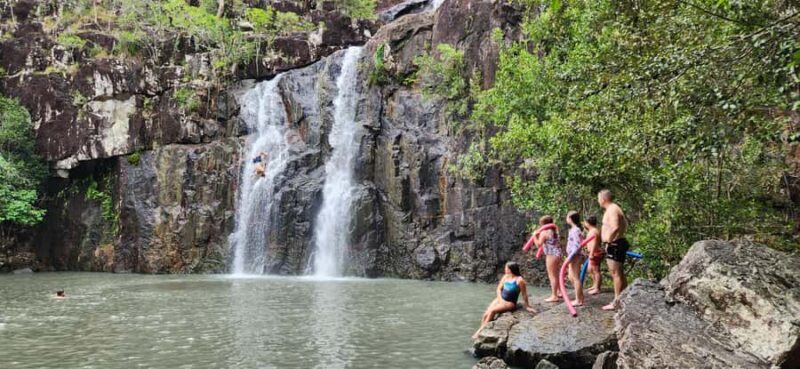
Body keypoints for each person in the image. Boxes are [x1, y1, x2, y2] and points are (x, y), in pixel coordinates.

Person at [473, 262, 535, 339]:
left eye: (506, 268)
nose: (504, 269)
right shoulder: (505, 277)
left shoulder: (520, 280)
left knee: (492, 311)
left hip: (510, 302)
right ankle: (483, 329)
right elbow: (498, 289)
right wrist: (500, 299)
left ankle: (479, 332)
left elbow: (524, 294)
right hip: (500, 299)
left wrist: (527, 306)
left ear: (510, 270)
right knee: (485, 314)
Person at [598, 189, 630, 311]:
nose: (598, 201)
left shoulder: (612, 209)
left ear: (603, 199)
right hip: (617, 243)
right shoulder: (614, 208)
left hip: (615, 244)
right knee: (619, 273)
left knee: (616, 274)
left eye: (598, 198)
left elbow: (616, 227)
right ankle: (626, 297)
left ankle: (616, 301)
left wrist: (609, 241)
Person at [534, 215, 561, 303]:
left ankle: (554, 296)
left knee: (552, 275)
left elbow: (538, 244)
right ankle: (559, 292)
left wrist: (534, 236)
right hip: (558, 253)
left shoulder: (544, 232)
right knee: (556, 274)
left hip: (551, 255)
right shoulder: (555, 230)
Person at [565, 211, 585, 306]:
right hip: (572, 256)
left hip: (575, 256)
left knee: (575, 277)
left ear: (570, 218)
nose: (566, 218)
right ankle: (580, 296)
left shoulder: (576, 230)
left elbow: (577, 245)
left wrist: (570, 257)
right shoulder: (573, 229)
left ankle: (579, 300)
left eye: (567, 216)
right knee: (570, 277)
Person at [583, 216, 603, 295]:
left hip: (595, 252)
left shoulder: (594, 231)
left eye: (585, 222)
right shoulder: (591, 230)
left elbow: (594, 242)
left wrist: (591, 253)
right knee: (590, 269)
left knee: (596, 270)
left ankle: (597, 288)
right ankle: (594, 285)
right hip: (592, 252)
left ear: (588, 223)